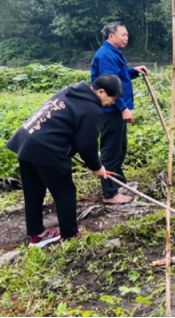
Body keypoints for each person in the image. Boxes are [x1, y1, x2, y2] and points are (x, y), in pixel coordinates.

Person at [5, 75, 123, 247]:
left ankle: (37, 236)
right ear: (101, 91)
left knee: (34, 191)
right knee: (65, 192)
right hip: (46, 148)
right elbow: (87, 144)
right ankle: (70, 235)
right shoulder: (92, 108)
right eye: (112, 98)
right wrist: (97, 167)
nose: (113, 102)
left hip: (27, 141)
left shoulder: (71, 92)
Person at [91, 22, 149, 204]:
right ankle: (110, 194)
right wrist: (123, 108)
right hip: (111, 110)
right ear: (111, 36)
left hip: (115, 108)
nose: (126, 38)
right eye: (123, 35)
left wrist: (133, 71)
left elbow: (119, 77)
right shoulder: (106, 55)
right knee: (110, 150)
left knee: (120, 148)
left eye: (127, 35)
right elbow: (110, 88)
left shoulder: (113, 53)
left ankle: (117, 181)